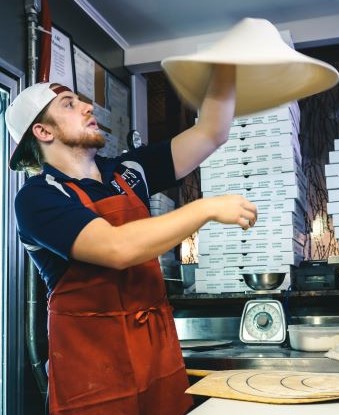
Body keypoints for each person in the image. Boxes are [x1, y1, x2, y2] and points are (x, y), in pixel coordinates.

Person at [5, 65, 257, 415]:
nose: (87, 107)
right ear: (43, 131)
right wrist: (204, 209)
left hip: (157, 360)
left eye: (82, 101)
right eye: (68, 104)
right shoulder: (38, 198)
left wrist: (227, 67)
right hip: (93, 376)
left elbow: (212, 132)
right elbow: (116, 248)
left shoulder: (127, 171)